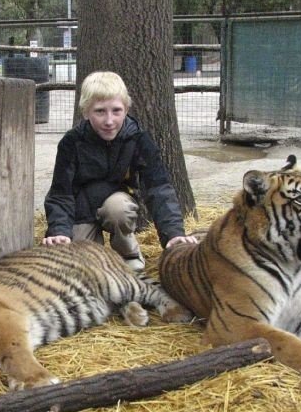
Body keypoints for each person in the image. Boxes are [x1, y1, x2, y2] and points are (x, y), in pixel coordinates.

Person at [43, 71, 197, 271]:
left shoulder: (139, 139)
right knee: (83, 267)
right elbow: (60, 193)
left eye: (116, 111)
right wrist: (59, 230)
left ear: (126, 109)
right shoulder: (71, 142)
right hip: (81, 210)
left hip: (118, 205)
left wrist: (174, 233)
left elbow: (159, 189)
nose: (109, 121)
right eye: (100, 111)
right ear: (86, 111)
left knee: (119, 210)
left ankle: (128, 256)